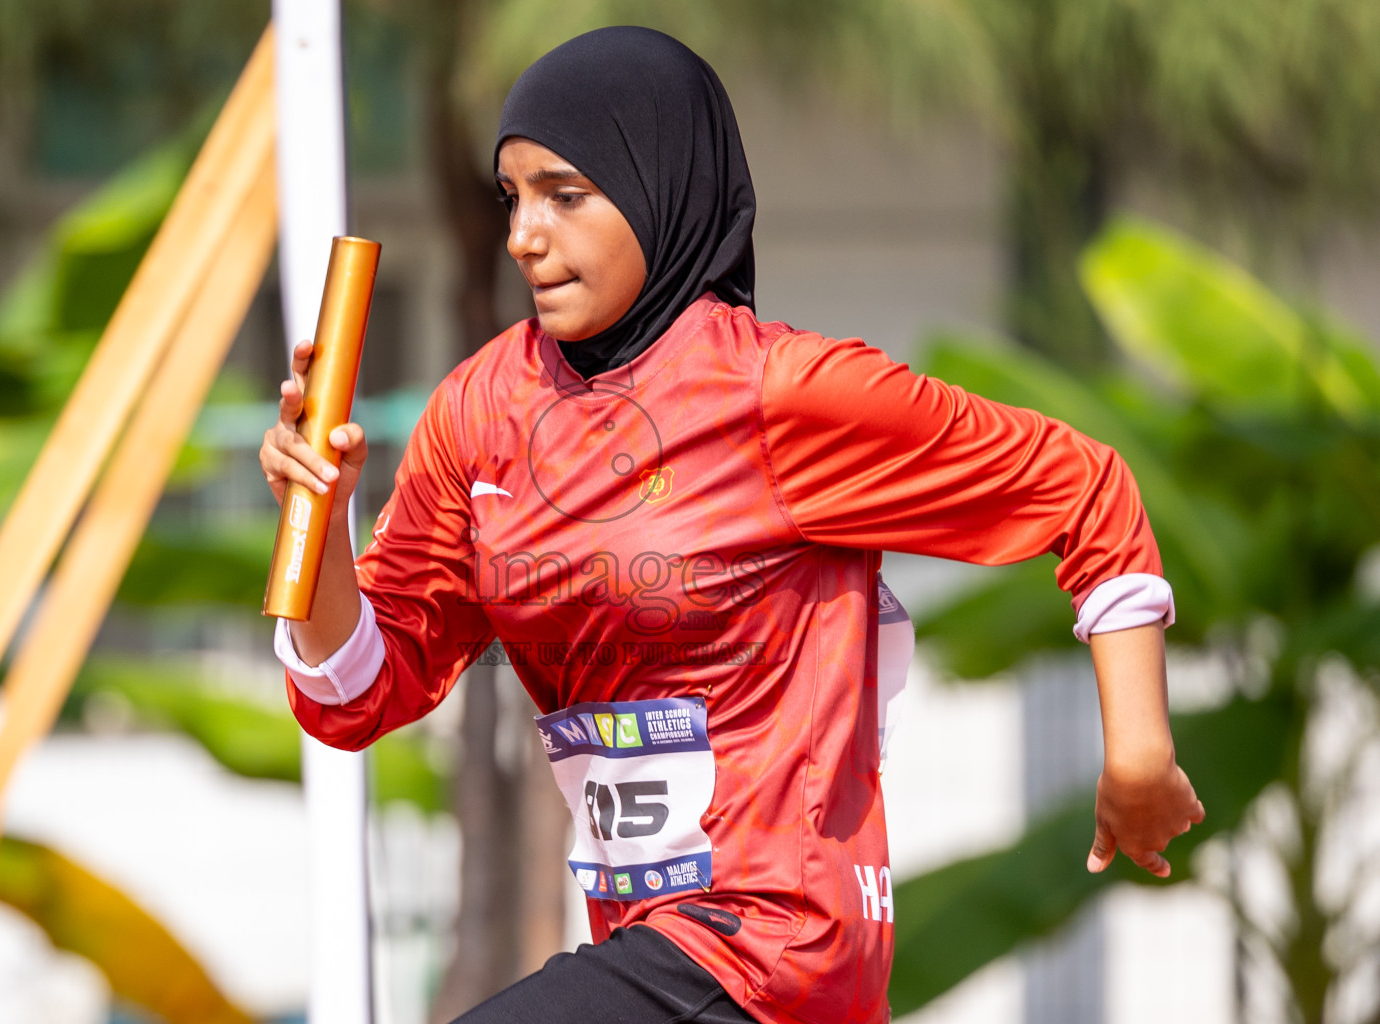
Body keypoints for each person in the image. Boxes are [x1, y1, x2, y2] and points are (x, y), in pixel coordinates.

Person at [259, 26, 1204, 1024]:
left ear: (659, 180)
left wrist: (1138, 751)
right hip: (645, 947)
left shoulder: (782, 394)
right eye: (512, 197)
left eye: (565, 194)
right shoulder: (479, 410)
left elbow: (1082, 486)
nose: (523, 235)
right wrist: (317, 522)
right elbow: (355, 695)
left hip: (780, 941)